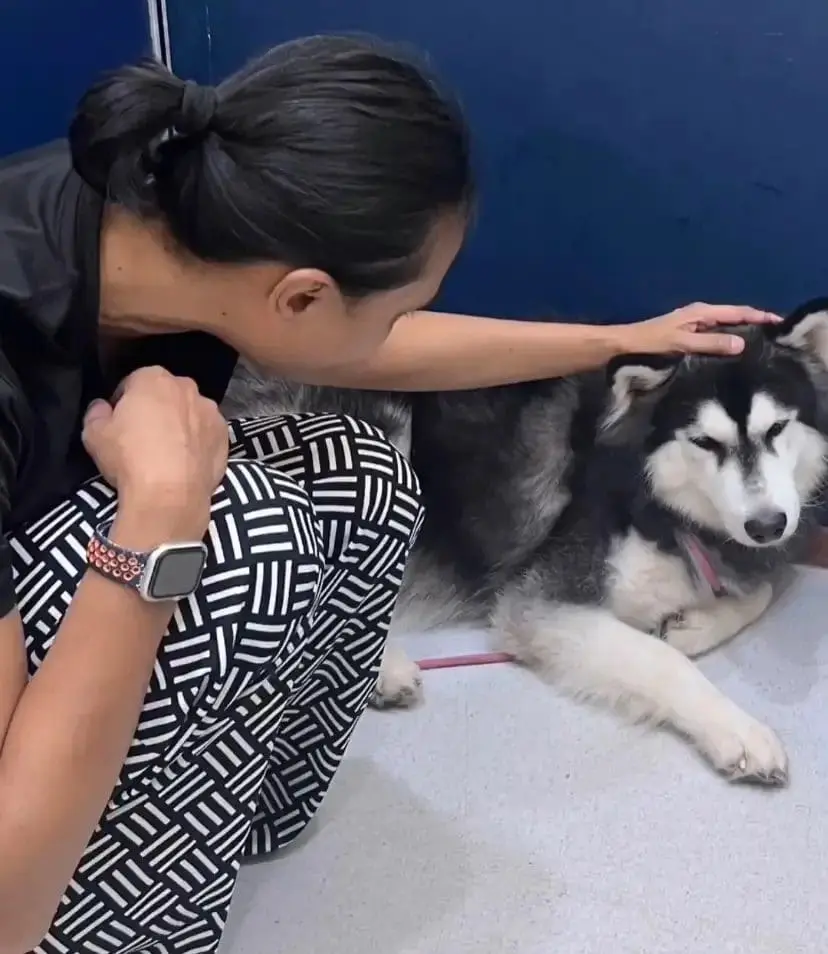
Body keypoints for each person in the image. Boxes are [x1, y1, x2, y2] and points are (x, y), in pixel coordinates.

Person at [0, 33, 779, 954]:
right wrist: (157, 523)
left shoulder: (171, 211)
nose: (404, 323)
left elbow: (368, 344)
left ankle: (239, 818)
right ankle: (113, 922)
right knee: (243, 542)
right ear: (302, 295)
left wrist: (618, 341)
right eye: (403, 300)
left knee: (358, 471)